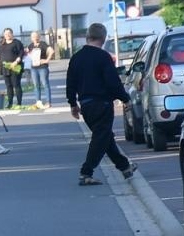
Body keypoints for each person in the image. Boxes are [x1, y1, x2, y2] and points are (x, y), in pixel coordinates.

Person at [67, 23, 138, 187]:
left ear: (87, 37)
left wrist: (73, 103)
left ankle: (125, 167)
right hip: (102, 103)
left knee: (105, 137)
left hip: (86, 105)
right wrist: (125, 98)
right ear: (104, 38)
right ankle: (86, 172)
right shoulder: (103, 57)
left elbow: (70, 83)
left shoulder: (76, 58)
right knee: (101, 138)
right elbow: (113, 82)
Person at [0, 28, 25, 109]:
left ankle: (19, 103)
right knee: (8, 86)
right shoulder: (2, 44)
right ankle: (10, 103)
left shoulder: (17, 43)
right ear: (4, 35)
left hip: (15, 67)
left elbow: (21, 53)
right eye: (6, 34)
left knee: (16, 85)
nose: (7, 35)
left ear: (12, 34)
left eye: (9, 33)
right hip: (5, 68)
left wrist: (16, 62)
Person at [26, 31, 53, 109]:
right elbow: (27, 54)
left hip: (42, 68)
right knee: (36, 85)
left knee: (45, 84)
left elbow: (51, 51)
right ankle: (38, 102)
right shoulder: (30, 45)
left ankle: (48, 102)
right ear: (31, 38)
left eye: (35, 36)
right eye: (32, 36)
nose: (34, 38)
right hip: (34, 68)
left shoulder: (43, 44)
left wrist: (47, 60)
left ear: (39, 37)